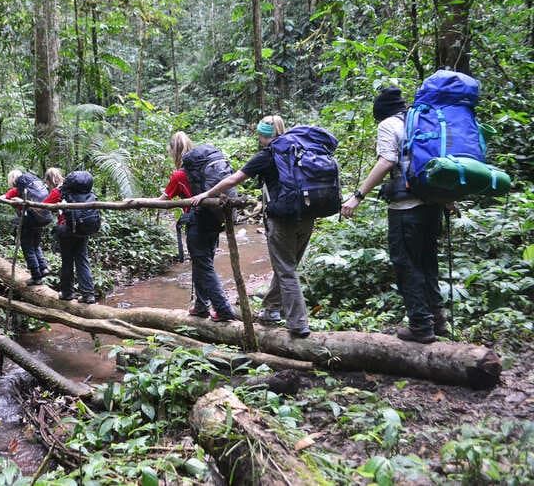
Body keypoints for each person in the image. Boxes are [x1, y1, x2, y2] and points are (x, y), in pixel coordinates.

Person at [341, 87, 447, 344]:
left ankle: (421, 326)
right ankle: (438, 319)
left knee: (406, 264)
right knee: (427, 261)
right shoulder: (421, 120)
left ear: (380, 110)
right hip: (432, 204)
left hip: (405, 210)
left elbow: (387, 161)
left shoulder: (389, 125)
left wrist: (357, 196)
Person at [192, 116, 313, 338]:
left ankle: (298, 324)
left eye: (259, 134)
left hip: (282, 219)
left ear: (263, 135)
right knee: (286, 265)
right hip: (308, 215)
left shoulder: (267, 155)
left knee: (286, 269)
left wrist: (206, 193)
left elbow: (232, 180)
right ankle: (271, 310)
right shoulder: (302, 149)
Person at [161, 131, 237, 323]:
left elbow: (163, 200)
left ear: (173, 151)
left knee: (204, 267)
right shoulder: (201, 169)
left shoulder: (179, 174)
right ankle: (201, 306)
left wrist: (136, 202)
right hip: (213, 220)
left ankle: (223, 309)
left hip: (197, 223)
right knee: (202, 264)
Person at [42, 168, 96, 304]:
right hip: (83, 229)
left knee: (67, 261)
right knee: (82, 260)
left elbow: (43, 206)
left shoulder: (59, 191)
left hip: (66, 230)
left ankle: (67, 293)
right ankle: (88, 295)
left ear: (49, 180)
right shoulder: (83, 191)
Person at [4, 169, 52, 286]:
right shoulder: (32, 187)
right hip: (39, 218)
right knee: (35, 245)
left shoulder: (16, 190)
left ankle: (36, 276)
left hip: (28, 220)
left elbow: (2, 198)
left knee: (28, 247)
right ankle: (43, 268)